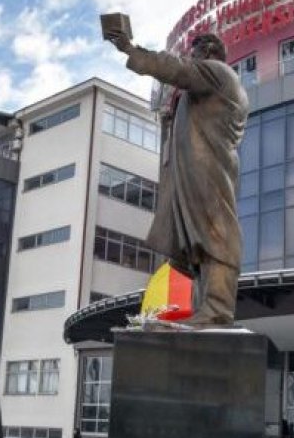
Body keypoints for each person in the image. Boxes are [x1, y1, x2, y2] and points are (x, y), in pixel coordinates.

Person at [106, 29, 249, 326]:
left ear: (208, 52)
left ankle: (217, 310)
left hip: (208, 169)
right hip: (197, 171)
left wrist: (132, 50)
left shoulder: (218, 73)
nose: (190, 56)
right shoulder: (205, 86)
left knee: (215, 235)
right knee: (198, 246)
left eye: (195, 51)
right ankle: (206, 311)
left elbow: (177, 69)